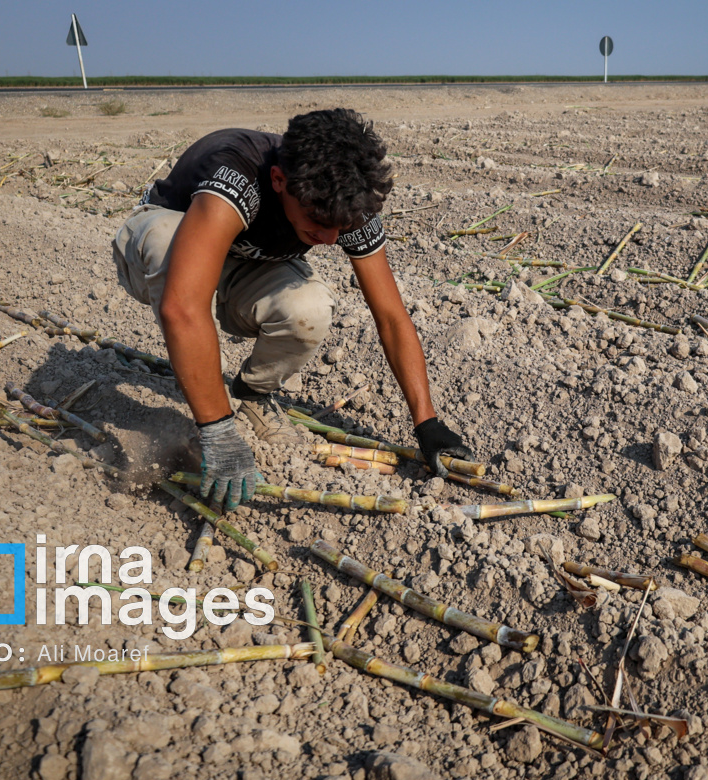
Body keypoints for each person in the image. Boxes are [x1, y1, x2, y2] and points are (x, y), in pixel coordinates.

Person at [112, 109, 472, 509]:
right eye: (317, 222)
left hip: (243, 261)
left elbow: (389, 316)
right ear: (280, 182)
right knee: (167, 242)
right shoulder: (238, 174)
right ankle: (211, 414)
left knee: (309, 307)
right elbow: (182, 307)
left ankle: (253, 394)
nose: (331, 238)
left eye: (341, 227)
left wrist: (428, 423)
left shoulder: (344, 198)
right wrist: (219, 433)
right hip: (164, 246)